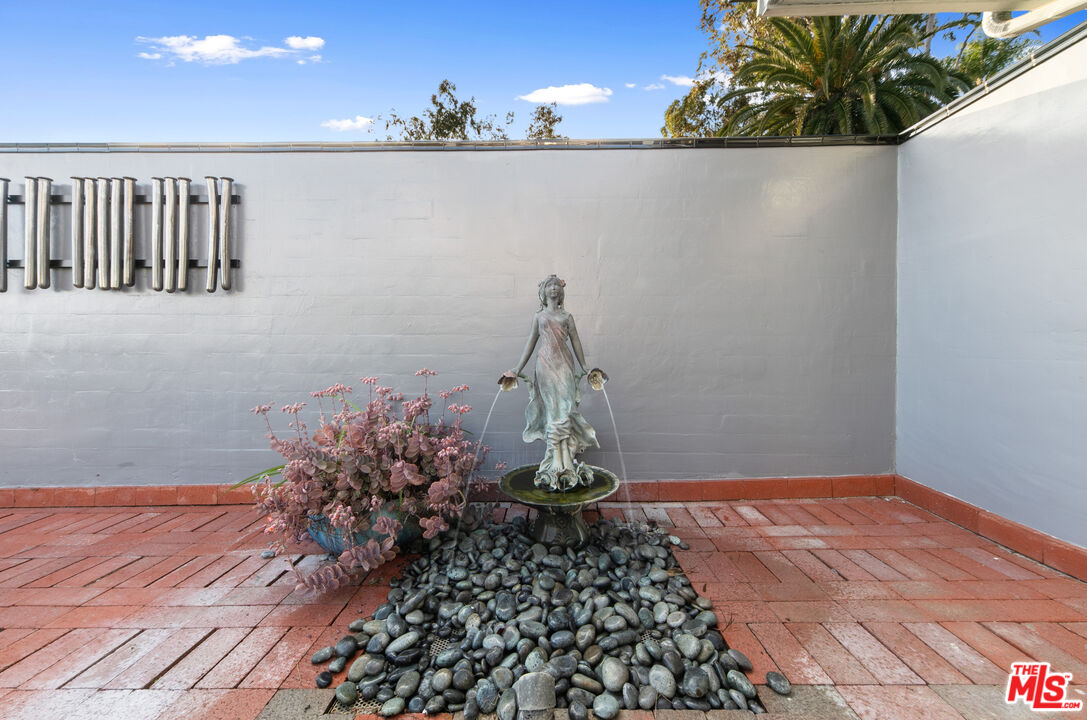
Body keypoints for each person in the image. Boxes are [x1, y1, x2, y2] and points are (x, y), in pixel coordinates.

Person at [503, 275, 600, 491]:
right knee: (551, 409)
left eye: (557, 286)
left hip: (564, 364)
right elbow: (530, 342)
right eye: (550, 286)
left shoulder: (567, 316)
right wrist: (517, 369)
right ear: (543, 292)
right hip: (545, 365)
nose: (554, 289)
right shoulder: (539, 317)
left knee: (566, 408)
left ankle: (566, 459)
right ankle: (555, 461)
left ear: (561, 292)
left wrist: (585, 366)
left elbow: (576, 342)